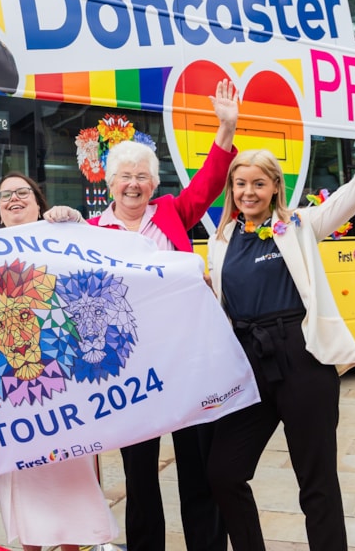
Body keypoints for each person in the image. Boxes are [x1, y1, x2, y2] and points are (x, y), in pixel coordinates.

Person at [205, 92, 355, 551]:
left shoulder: (301, 226)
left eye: (258, 184)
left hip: (303, 358)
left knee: (317, 482)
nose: (248, 192)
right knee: (223, 472)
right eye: (240, 184)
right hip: (250, 363)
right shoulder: (221, 239)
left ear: (275, 188)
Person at [87, 79, 240, 551]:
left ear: (154, 184)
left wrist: (226, 127)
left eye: (142, 176)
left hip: (186, 364)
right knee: (139, 476)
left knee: (198, 471)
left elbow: (211, 183)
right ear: (109, 182)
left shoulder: (173, 212)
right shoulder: (90, 231)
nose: (133, 184)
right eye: (124, 176)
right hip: (130, 371)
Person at [0, 173, 117, 551]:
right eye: (5, 195)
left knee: (71, 481)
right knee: (27, 488)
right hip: (16, 392)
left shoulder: (60, 234)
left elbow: (96, 257)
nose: (13, 199)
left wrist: (74, 221)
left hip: (64, 386)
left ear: (38, 201)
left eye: (22, 193)